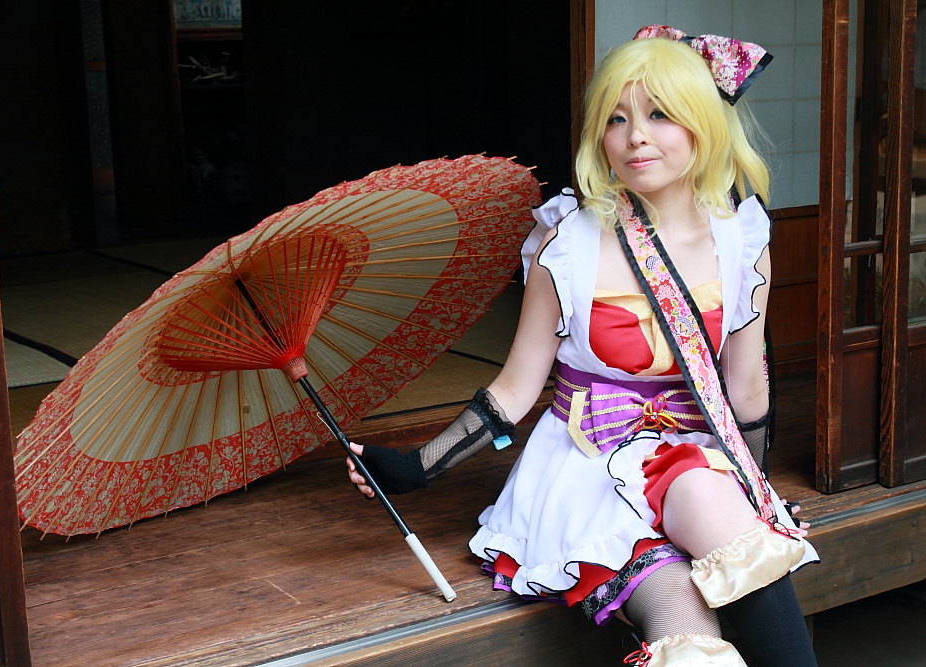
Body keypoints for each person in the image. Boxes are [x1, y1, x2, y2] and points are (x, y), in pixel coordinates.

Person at [346, 25, 819, 667]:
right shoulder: (566, 243)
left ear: (704, 123)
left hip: (696, 461)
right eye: (616, 119)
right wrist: (414, 468)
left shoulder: (741, 237)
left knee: (720, 513)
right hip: (590, 467)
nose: (635, 136)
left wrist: (753, 493)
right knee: (684, 625)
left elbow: (746, 387)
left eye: (659, 114)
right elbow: (514, 390)